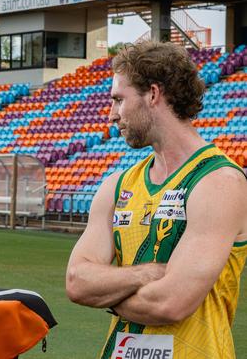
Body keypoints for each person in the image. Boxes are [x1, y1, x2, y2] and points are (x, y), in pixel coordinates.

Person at [66, 41, 247, 359]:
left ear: (152, 94)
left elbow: (170, 302)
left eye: (119, 100)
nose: (111, 115)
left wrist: (106, 291)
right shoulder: (116, 186)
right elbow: (76, 282)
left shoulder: (219, 182)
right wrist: (145, 274)